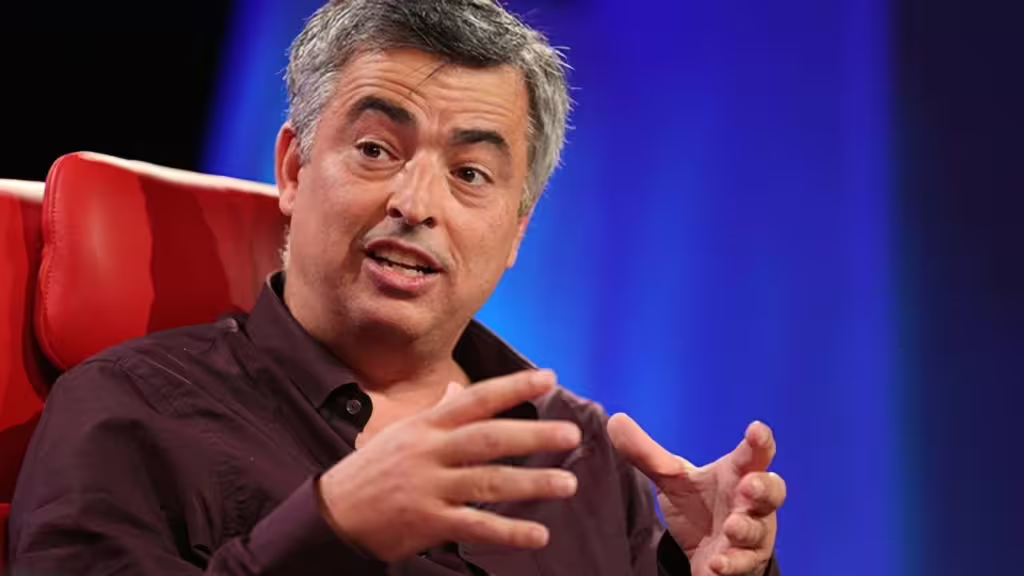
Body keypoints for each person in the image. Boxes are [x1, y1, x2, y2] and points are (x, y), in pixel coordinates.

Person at [8, 1, 786, 574]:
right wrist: (333, 530)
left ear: (518, 230)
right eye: (377, 149)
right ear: (293, 170)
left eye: (470, 173)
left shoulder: (574, 449)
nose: (416, 204)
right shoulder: (132, 408)